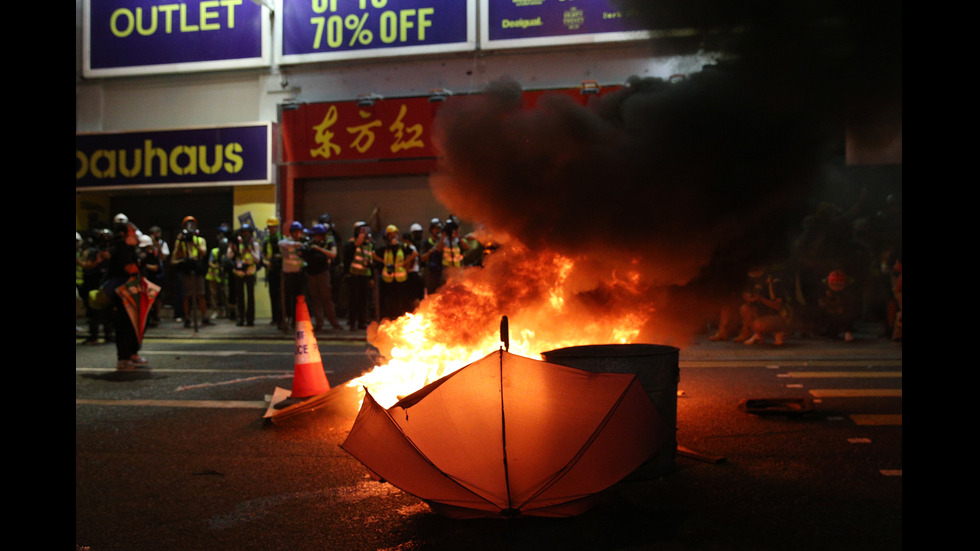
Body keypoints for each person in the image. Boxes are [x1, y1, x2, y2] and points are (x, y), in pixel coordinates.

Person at [101, 221, 146, 371]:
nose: (135, 234)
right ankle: (123, 358)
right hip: (121, 294)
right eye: (132, 232)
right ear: (123, 234)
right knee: (124, 325)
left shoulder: (130, 248)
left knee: (134, 323)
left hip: (130, 292)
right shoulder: (120, 248)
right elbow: (130, 268)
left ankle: (133, 354)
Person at [728, 265, 791, 346]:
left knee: (759, 324)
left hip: (781, 317)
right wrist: (750, 299)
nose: (754, 278)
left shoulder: (775, 283)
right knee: (745, 308)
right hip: (765, 315)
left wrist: (761, 299)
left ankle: (781, 332)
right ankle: (758, 336)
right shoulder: (757, 284)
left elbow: (778, 306)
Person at [301, 223, 343, 332]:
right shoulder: (309, 244)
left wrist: (319, 249)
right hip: (311, 273)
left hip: (322, 273)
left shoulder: (328, 242)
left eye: (319, 235)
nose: (317, 237)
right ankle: (319, 323)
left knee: (326, 298)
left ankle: (334, 323)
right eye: (315, 235)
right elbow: (302, 253)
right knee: (315, 299)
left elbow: (333, 254)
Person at [172, 215, 211, 328]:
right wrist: (180, 241)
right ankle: (187, 318)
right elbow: (175, 256)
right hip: (186, 268)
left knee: (201, 294)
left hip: (197, 268)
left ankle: (204, 317)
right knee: (187, 295)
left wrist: (193, 243)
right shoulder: (181, 241)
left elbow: (204, 253)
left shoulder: (200, 240)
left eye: (192, 225)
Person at [373, 225, 418, 321]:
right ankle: (390, 319)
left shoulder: (403, 247)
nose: (394, 237)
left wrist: (405, 263)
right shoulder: (385, 248)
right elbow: (373, 255)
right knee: (390, 301)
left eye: (395, 234)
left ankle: (403, 319)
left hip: (401, 279)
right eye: (391, 235)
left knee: (403, 300)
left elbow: (414, 254)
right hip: (388, 279)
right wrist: (383, 262)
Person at [80, 228, 114, 344]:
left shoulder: (110, 251)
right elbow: (87, 266)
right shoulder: (95, 251)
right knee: (94, 310)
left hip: (104, 284)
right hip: (95, 283)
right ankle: (96, 335)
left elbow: (88, 265)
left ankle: (106, 334)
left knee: (105, 310)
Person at [228, 224, 261, 326]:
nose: (244, 234)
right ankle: (241, 318)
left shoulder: (254, 244)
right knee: (240, 296)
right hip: (239, 272)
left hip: (250, 271)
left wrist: (250, 250)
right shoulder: (237, 243)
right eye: (243, 232)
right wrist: (233, 247)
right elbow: (229, 256)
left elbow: (257, 259)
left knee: (250, 296)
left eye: (246, 232)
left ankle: (250, 319)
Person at [344, 221, 374, 331]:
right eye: (362, 230)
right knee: (353, 300)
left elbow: (371, 261)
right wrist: (356, 244)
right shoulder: (350, 244)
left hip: (365, 276)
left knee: (364, 301)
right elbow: (347, 256)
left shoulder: (369, 245)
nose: (364, 233)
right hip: (354, 276)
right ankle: (352, 323)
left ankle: (362, 323)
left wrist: (371, 278)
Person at [278, 221, 308, 329]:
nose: (298, 234)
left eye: (299, 232)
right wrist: (295, 244)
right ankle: (287, 318)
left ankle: (296, 320)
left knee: (299, 298)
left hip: (299, 273)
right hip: (288, 274)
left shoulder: (303, 242)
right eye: (296, 232)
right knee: (288, 298)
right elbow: (281, 244)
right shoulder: (286, 242)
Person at [262, 216, 284, 326]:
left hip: (281, 270)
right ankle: (275, 318)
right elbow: (264, 256)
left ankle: (282, 318)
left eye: (273, 227)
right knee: (273, 295)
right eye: (270, 227)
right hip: (271, 270)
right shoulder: (266, 241)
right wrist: (267, 263)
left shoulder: (282, 240)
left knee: (281, 295)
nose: (272, 229)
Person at [438, 216, 470, 286]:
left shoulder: (458, 240)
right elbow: (439, 249)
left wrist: (458, 237)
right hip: (447, 268)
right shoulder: (445, 240)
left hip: (458, 268)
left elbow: (467, 247)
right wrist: (443, 236)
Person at [206, 232, 230, 321]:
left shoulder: (228, 252)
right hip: (213, 276)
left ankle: (227, 311)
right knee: (214, 295)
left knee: (225, 295)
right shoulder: (214, 251)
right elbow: (210, 262)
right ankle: (215, 311)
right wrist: (217, 267)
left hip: (224, 277)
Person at [419, 218, 443, 295]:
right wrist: (430, 251)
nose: (438, 230)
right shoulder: (426, 243)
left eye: (439, 228)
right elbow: (422, 258)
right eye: (435, 228)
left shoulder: (444, 243)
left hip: (443, 273)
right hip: (431, 274)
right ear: (431, 230)